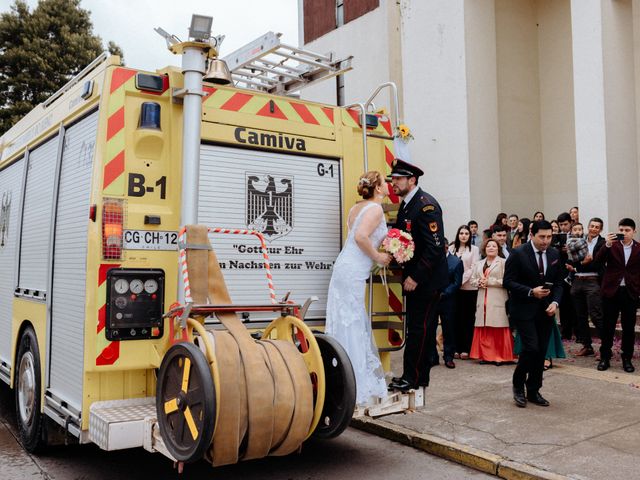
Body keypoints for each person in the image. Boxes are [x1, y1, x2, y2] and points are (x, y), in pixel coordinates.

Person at [325, 171, 392, 406]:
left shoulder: (356, 208)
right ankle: (355, 382)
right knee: (352, 320)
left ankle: (341, 377)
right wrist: (378, 257)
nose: (388, 185)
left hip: (345, 267)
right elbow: (362, 237)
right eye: (385, 182)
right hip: (353, 270)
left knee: (345, 320)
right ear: (377, 187)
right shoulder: (375, 209)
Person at [387, 158, 448, 392]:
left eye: (398, 179)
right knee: (419, 329)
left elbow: (434, 248)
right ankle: (419, 376)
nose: (393, 183)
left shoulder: (426, 206)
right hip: (416, 279)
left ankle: (411, 378)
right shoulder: (406, 204)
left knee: (419, 330)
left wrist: (416, 277)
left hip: (426, 282)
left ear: (411, 180)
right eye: (392, 179)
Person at [504, 220, 563, 408]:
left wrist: (555, 302)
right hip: (523, 309)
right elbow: (508, 282)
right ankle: (518, 384)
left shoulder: (554, 254)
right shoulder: (518, 253)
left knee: (541, 351)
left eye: (549, 237)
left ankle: (534, 389)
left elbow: (560, 283)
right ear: (531, 235)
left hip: (546, 310)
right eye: (542, 237)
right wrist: (531, 291)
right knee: (531, 348)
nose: (546, 241)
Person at [593, 218, 640, 373]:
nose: (624, 233)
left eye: (627, 230)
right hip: (611, 291)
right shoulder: (611, 245)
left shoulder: (639, 248)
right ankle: (605, 357)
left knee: (628, 327)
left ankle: (627, 358)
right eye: (621, 230)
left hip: (630, 292)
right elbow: (597, 261)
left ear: (634, 231)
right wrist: (606, 244)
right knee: (608, 326)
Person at [469, 239, 515, 365]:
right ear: (484, 248)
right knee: (484, 327)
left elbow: (507, 281)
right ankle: (485, 356)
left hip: (498, 299)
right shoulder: (479, 263)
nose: (491, 248)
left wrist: (490, 282)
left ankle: (500, 356)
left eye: (494, 246)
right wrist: (479, 282)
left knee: (498, 327)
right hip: (482, 300)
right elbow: (472, 280)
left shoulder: (503, 262)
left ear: (498, 249)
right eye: (488, 246)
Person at [566, 218, 605, 357]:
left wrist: (579, 264)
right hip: (577, 280)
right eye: (592, 226)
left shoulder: (603, 243)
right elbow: (571, 260)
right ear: (587, 227)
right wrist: (578, 264)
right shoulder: (578, 240)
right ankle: (587, 346)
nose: (594, 229)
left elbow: (597, 264)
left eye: (597, 227)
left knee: (596, 315)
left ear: (600, 229)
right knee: (580, 316)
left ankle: (605, 348)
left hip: (592, 281)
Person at [430, 238, 463, 368]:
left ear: (446, 247)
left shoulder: (456, 262)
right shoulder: (431, 259)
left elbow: (457, 282)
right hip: (432, 300)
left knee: (448, 329)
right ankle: (432, 356)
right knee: (431, 328)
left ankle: (448, 357)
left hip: (448, 300)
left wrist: (444, 293)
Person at [451, 225, 481, 360]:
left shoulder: (474, 250)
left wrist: (459, 281)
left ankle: (466, 348)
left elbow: (473, 267)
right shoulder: (452, 248)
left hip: (468, 288)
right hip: (454, 289)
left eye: (466, 233)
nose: (464, 235)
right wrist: (453, 283)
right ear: (458, 234)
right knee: (455, 318)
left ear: (470, 236)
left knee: (468, 319)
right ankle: (455, 347)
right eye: (461, 233)